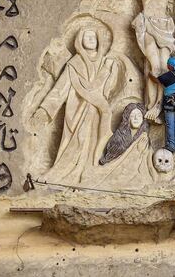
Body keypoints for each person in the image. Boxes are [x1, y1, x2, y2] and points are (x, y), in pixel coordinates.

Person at [29, 27, 124, 183]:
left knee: (92, 145)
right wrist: (44, 110)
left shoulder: (106, 63)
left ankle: (89, 172)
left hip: (96, 112)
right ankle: (64, 173)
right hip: (76, 111)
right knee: (75, 140)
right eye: (87, 37)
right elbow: (59, 90)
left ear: (99, 40)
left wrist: (109, 71)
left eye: (93, 36)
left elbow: (109, 89)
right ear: (79, 41)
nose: (91, 39)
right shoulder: (74, 64)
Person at [157, 56, 175, 153]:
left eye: (168, 65)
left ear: (170, 66)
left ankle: (171, 145)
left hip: (170, 102)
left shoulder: (170, 75)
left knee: (170, 123)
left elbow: (158, 79)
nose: (167, 66)